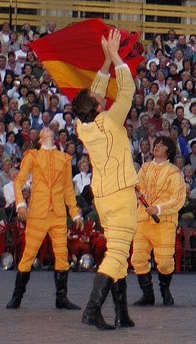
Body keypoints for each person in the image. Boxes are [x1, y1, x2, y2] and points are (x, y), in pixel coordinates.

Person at [74, 28, 139, 330]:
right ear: (98, 106)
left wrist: (103, 63)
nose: (100, 91)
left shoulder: (81, 126)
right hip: (122, 193)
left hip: (102, 197)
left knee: (118, 248)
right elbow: (128, 89)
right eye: (98, 96)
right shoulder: (111, 120)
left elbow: (93, 92)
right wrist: (115, 56)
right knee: (116, 254)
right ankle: (92, 309)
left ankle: (121, 313)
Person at [7, 125, 81, 311]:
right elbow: (19, 182)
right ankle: (17, 296)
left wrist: (75, 213)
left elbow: (68, 190)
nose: (46, 129)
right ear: (40, 138)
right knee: (28, 255)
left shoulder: (64, 159)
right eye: (43, 129)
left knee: (62, 255)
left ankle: (61, 298)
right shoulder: (32, 155)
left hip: (57, 215)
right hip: (38, 213)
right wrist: (21, 204)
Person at [131, 136, 186, 306]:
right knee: (138, 258)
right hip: (142, 219)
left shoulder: (174, 172)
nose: (157, 147)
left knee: (164, 261)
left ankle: (165, 289)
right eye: (156, 144)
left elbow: (179, 199)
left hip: (164, 222)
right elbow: (137, 188)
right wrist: (137, 194)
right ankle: (148, 294)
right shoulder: (145, 168)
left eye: (161, 145)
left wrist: (159, 208)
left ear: (168, 150)